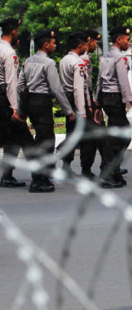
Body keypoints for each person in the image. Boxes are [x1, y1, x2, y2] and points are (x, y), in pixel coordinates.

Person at [18, 29, 75, 192]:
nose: (55, 45)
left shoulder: (27, 61)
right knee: (46, 142)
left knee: (42, 139)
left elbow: (21, 85)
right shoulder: (49, 63)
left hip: (30, 102)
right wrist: (68, 110)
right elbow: (56, 89)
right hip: (42, 102)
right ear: (45, 44)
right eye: (53, 42)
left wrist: (21, 107)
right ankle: (37, 180)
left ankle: (42, 177)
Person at [96, 26, 132, 187]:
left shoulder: (105, 56)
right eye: (127, 40)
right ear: (119, 39)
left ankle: (113, 171)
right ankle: (107, 172)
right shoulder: (120, 58)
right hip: (115, 100)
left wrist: (98, 103)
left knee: (117, 136)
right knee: (121, 137)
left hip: (108, 100)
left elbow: (99, 82)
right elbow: (124, 82)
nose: (128, 43)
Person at [60, 32, 101, 181]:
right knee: (89, 137)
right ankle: (86, 169)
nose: (87, 47)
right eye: (85, 44)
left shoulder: (64, 59)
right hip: (78, 100)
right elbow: (79, 88)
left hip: (68, 99)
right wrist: (83, 109)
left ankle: (65, 165)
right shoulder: (78, 62)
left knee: (71, 133)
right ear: (80, 45)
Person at [0, 18, 32, 188]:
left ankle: (7, 175)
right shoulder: (9, 53)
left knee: (10, 138)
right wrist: (15, 108)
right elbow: (11, 82)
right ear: (14, 32)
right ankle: (39, 174)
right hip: (4, 98)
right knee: (18, 137)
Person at [82, 29, 108, 178]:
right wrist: (90, 103)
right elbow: (85, 84)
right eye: (95, 42)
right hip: (86, 102)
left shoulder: (82, 58)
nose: (96, 45)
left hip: (85, 101)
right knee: (96, 136)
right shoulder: (84, 59)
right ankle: (105, 165)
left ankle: (106, 164)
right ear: (89, 41)